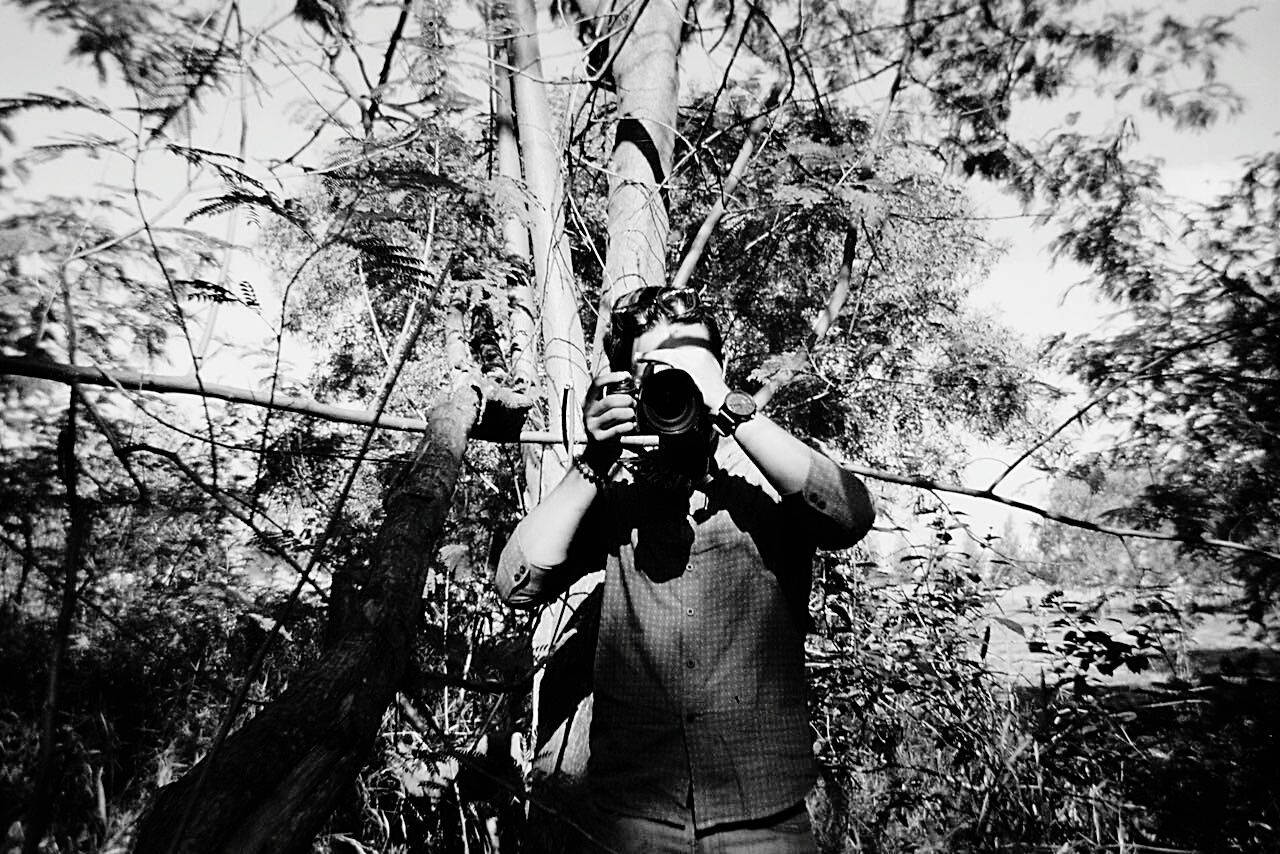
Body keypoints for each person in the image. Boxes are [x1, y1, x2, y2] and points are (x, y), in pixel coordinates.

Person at [496, 286, 875, 852]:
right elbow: (517, 581)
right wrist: (592, 461)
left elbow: (849, 515)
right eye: (653, 373)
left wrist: (728, 402)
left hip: (765, 816)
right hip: (631, 811)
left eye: (687, 368)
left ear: (716, 371)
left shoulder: (770, 477)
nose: (673, 385)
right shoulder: (615, 494)